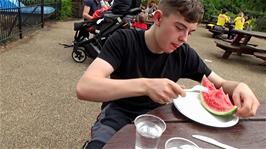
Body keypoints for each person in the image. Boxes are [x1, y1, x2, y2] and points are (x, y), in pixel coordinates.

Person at [77, 0, 260, 148]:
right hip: (117, 116)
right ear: (158, 18)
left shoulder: (184, 53)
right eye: (179, 28)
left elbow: (219, 84)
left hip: (161, 120)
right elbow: (85, 87)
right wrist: (146, 85)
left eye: (190, 32)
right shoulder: (124, 40)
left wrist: (239, 86)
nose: (184, 38)